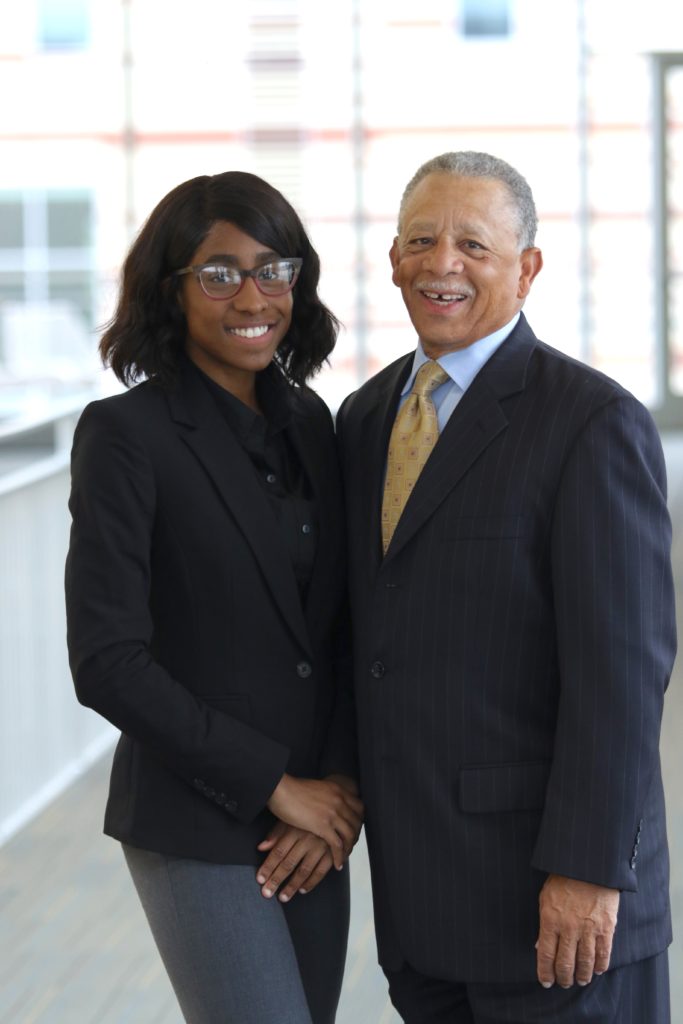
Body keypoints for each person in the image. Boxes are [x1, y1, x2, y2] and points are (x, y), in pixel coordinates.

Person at [336, 151, 675, 1023]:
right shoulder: (364, 419)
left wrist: (590, 868)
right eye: (421, 240)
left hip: (555, 909)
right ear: (392, 261)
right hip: (421, 906)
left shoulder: (591, 423)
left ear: (526, 269)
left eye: (472, 245)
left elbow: (620, 677)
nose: (440, 263)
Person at [65, 170, 363, 1024]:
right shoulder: (127, 437)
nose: (253, 295)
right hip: (198, 815)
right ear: (172, 291)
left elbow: (341, 629)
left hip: (315, 821)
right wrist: (277, 786)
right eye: (220, 273)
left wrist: (333, 788)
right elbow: (108, 662)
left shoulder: (312, 423)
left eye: (275, 268)